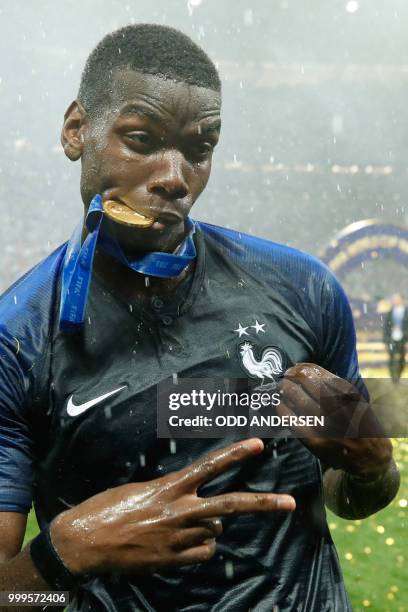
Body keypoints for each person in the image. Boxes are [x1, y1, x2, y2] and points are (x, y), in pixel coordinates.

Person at [0, 24, 400, 612]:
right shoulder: (17, 340)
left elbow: (352, 496)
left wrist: (371, 466)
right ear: (76, 130)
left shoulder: (304, 289)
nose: (175, 177)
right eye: (141, 139)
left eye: (200, 148)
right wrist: (65, 554)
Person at [383, 293, 408, 383]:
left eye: (396, 299)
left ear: (401, 299)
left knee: (402, 359)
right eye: (394, 299)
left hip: (403, 340)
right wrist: (385, 341)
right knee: (391, 358)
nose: (395, 300)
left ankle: (399, 375)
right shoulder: (390, 312)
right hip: (391, 339)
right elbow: (385, 328)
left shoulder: (406, 311)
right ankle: (393, 378)